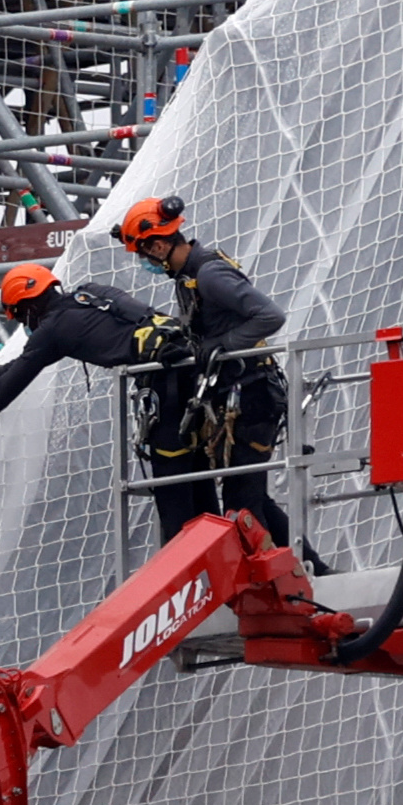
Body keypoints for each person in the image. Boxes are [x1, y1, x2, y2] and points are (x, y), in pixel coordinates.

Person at [115, 194, 297, 553]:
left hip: (253, 396)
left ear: (159, 243)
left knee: (242, 502)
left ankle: (278, 579)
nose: (144, 261)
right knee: (247, 495)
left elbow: (270, 316)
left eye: (143, 252)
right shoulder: (188, 278)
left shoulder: (209, 274)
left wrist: (226, 343)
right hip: (236, 396)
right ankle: (304, 569)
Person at [0, 263, 161, 436]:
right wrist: (4, 369)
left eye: (20, 316)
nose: (24, 324)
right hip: (174, 354)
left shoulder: (53, 328)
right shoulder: (90, 293)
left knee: (171, 464)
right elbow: (26, 362)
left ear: (29, 306)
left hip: (166, 376)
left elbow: (7, 389)